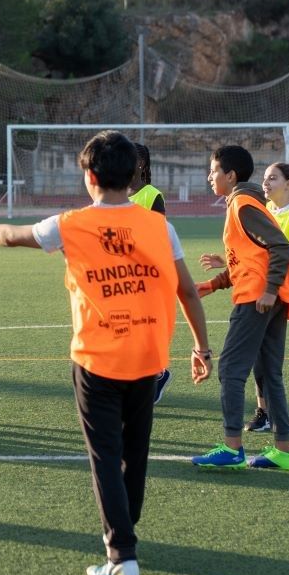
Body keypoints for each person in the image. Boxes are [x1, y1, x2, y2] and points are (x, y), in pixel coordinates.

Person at [0, 130, 210, 575]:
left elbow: (12, 236)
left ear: (90, 177)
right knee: (135, 452)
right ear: (133, 176)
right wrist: (200, 347)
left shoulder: (69, 223)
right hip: (149, 355)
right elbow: (187, 290)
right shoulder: (159, 225)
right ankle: (126, 527)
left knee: (105, 457)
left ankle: (122, 555)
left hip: (97, 359)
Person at [191, 146, 289, 473]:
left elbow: (280, 247)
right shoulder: (248, 203)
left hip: (258, 299)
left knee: (231, 370)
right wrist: (213, 284)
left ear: (231, 175)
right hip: (268, 297)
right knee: (270, 374)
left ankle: (233, 447)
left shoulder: (242, 204)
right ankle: (284, 450)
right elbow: (250, 260)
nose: (210, 177)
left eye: (214, 171)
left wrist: (268, 290)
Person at [199, 161, 289, 432]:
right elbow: (253, 254)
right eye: (265, 178)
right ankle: (263, 412)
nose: (265, 183)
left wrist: (273, 254)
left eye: (273, 178)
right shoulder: (264, 210)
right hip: (276, 288)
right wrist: (226, 260)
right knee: (260, 353)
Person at [129, 143, 172, 405]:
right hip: (119, 274)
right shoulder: (113, 193)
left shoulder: (151, 195)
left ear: (141, 165)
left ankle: (157, 375)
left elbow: (159, 236)